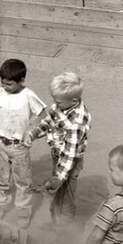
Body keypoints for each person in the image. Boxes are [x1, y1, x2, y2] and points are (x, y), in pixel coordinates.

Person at [24, 71, 91, 229]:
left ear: (73, 100)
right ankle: (56, 224)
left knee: (65, 198)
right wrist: (33, 133)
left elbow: (69, 155)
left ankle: (65, 231)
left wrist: (59, 178)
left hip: (70, 161)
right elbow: (48, 121)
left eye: (58, 102)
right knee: (56, 195)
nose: (55, 104)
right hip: (58, 155)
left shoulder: (77, 122)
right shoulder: (62, 105)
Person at [0, 58, 46, 229]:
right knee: (1, 177)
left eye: (9, 84)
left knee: (23, 181)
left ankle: (23, 210)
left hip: (19, 147)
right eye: (3, 82)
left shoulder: (28, 96)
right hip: (1, 144)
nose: (5, 86)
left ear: (21, 81)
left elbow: (43, 116)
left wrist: (31, 133)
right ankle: (1, 205)